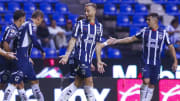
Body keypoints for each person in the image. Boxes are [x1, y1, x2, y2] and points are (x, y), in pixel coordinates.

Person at [110, 13, 177, 101]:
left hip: (156, 63)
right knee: (146, 81)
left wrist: (175, 61)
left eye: (149, 20)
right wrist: (117, 41)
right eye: (147, 20)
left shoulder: (163, 33)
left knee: (152, 84)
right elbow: (131, 38)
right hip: (145, 61)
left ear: (155, 20)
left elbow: (171, 46)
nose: (147, 22)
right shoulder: (145, 31)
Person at [58, 3, 110, 101]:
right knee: (89, 81)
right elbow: (73, 40)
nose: (86, 13)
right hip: (79, 56)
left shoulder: (99, 27)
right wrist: (66, 55)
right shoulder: (80, 24)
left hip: (87, 59)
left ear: (94, 11)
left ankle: (61, 99)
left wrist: (98, 61)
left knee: (78, 82)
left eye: (88, 11)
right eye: (85, 11)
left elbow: (98, 45)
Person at [3, 10, 46, 101]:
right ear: (38, 18)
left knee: (33, 81)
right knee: (14, 82)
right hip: (20, 58)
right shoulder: (30, 25)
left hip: (25, 58)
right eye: (41, 21)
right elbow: (33, 39)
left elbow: (19, 42)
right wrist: (42, 50)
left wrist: (28, 57)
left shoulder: (22, 26)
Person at [0, 10, 28, 101]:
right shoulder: (12, 29)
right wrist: (11, 55)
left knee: (19, 82)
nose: (25, 20)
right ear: (20, 19)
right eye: (24, 18)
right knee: (3, 82)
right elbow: (5, 43)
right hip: (6, 59)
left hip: (12, 59)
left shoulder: (18, 30)